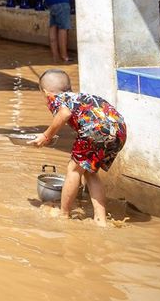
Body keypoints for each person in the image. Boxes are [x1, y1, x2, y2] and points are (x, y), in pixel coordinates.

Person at [32, 69, 126, 226]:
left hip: (95, 129)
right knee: (90, 172)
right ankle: (101, 220)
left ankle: (63, 215)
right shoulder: (81, 97)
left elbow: (64, 114)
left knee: (73, 170)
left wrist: (46, 136)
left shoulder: (56, 99)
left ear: (46, 92)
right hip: (119, 130)